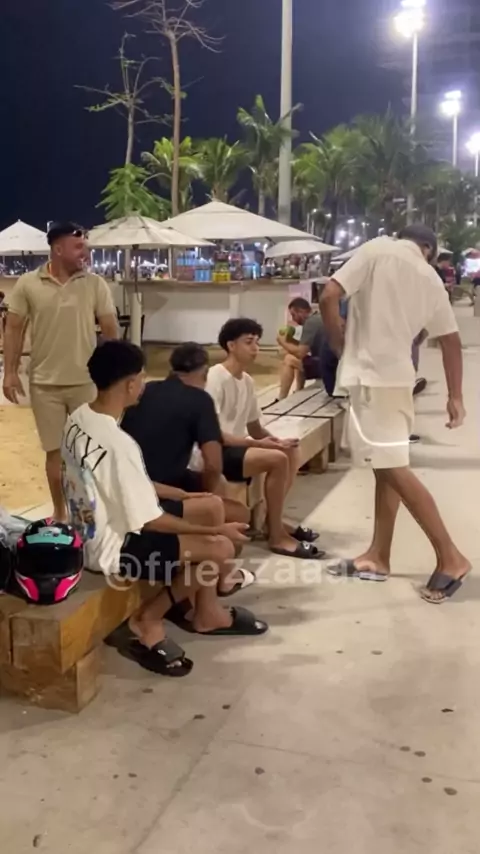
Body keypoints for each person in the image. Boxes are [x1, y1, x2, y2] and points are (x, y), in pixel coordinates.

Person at [61, 340, 268, 677]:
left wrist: (184, 496)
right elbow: (152, 521)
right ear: (130, 384)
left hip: (87, 533)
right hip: (112, 550)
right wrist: (215, 531)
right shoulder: (118, 443)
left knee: (207, 506)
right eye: (142, 378)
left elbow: (122, 483)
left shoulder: (80, 418)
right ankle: (149, 619)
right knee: (220, 548)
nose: (143, 384)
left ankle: (206, 611)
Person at [320, 224, 470, 604]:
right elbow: (451, 341)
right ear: (428, 249)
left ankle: (451, 557)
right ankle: (378, 556)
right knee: (387, 467)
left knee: (391, 469)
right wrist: (455, 396)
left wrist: (338, 343)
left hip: (371, 380)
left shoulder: (377, 249)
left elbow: (329, 294)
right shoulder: (432, 279)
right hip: (400, 381)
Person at [3, 222, 119, 522]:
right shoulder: (28, 283)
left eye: (86, 246)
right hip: (45, 385)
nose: (86, 252)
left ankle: (95, 513)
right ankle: (60, 511)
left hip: (87, 384)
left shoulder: (95, 284)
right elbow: (13, 329)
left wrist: (115, 374)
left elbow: (110, 330)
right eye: (78, 246)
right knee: (54, 453)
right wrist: (10, 372)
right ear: (58, 249)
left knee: (92, 450)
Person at [121, 342, 253, 593]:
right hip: (154, 495)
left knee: (233, 507)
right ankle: (219, 580)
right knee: (219, 507)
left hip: (140, 484)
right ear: (204, 373)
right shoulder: (199, 400)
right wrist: (206, 494)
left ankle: (219, 567)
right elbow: (213, 463)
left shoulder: (146, 391)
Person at [206, 318, 323, 559]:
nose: (255, 348)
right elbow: (213, 434)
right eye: (248, 342)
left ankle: (273, 521)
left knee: (290, 451)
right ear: (231, 345)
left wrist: (277, 441)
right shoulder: (215, 377)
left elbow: (255, 427)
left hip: (237, 446)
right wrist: (259, 444)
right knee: (277, 460)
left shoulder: (246, 381)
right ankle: (276, 535)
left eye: (257, 342)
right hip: (216, 451)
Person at [277, 298, 325, 399]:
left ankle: (281, 398)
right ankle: (299, 391)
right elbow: (304, 348)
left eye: (293, 315)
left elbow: (300, 352)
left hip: (324, 367)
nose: (293, 319)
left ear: (301, 312)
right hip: (331, 363)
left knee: (289, 359)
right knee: (300, 359)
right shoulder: (319, 317)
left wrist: (282, 342)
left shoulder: (310, 323)